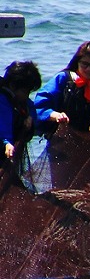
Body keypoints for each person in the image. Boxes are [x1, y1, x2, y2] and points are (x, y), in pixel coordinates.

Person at [34, 41, 90, 137]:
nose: (88, 69)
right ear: (77, 62)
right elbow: (38, 106)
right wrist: (55, 115)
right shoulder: (63, 79)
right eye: (84, 64)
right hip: (60, 141)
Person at [0, 61, 41, 190]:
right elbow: (4, 121)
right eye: (25, 91)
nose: (27, 95)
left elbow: (31, 107)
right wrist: (7, 142)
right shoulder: (3, 98)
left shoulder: (22, 101)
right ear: (12, 85)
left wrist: (30, 118)